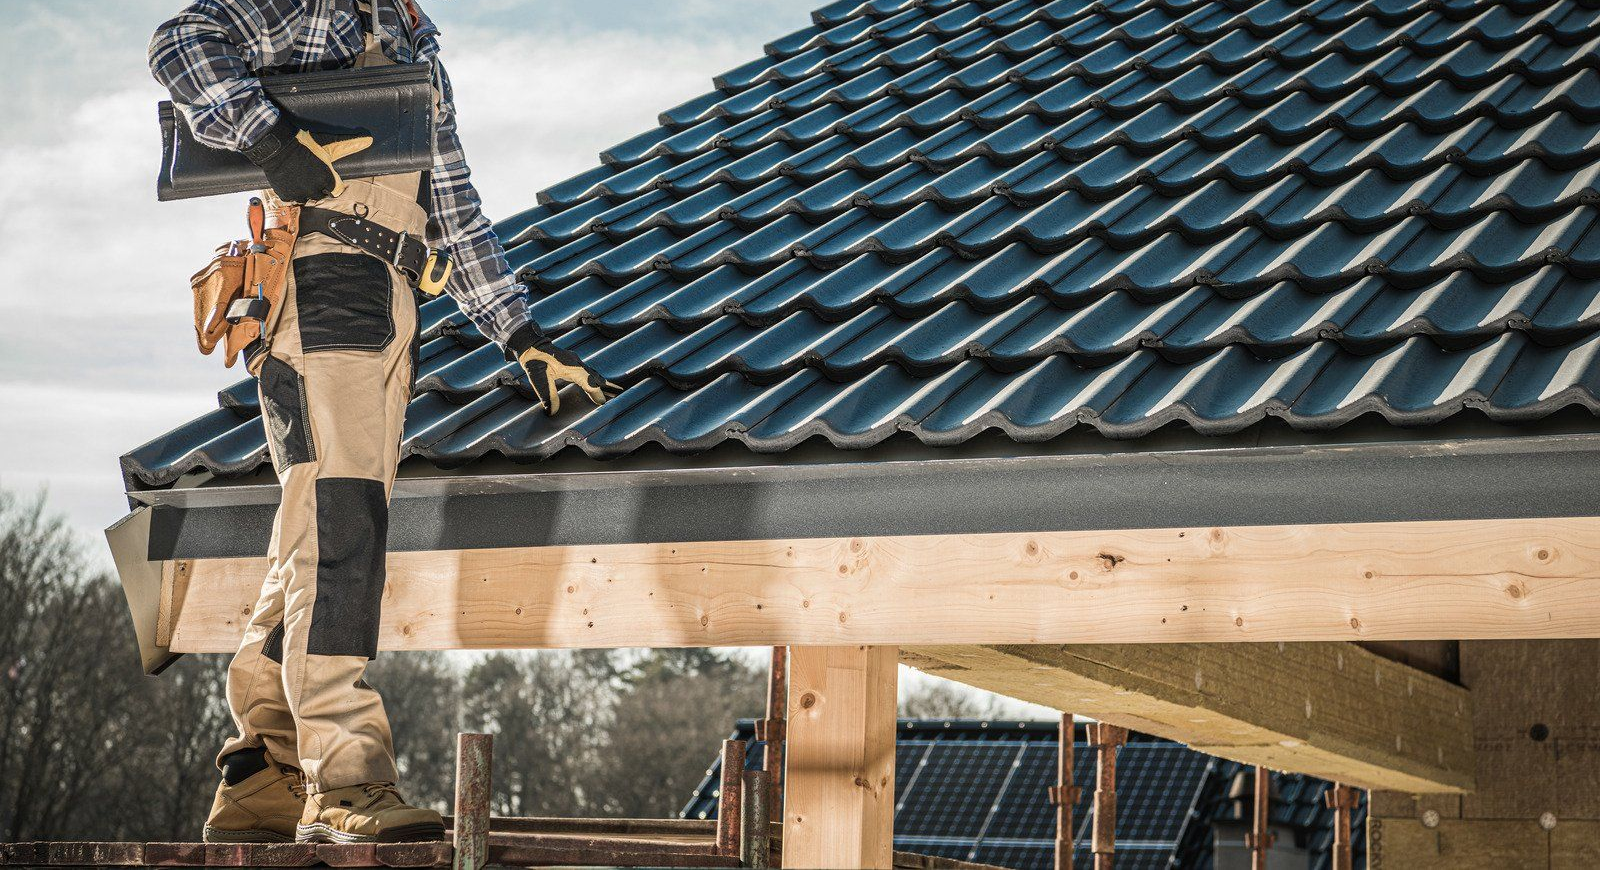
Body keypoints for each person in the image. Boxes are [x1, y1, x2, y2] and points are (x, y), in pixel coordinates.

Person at [149, 0, 617, 844]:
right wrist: (267, 141)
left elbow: (456, 208)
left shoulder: (411, 38)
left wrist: (522, 335)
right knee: (340, 528)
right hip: (324, 289)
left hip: (389, 302)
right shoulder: (322, 8)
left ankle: (265, 770)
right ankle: (346, 783)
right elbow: (182, 43)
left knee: (314, 535)